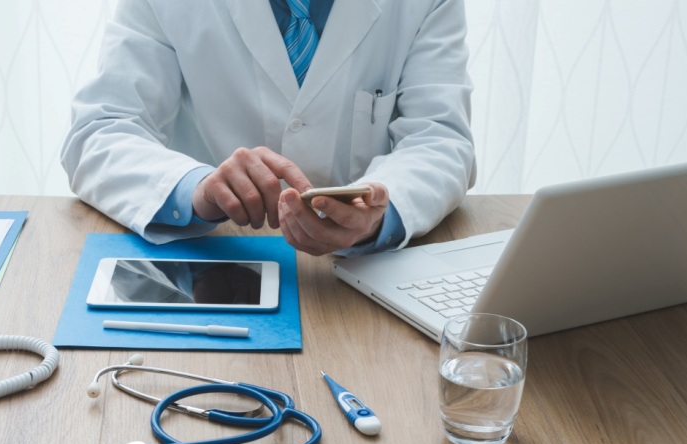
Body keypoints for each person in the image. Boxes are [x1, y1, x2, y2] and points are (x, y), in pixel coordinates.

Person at [62, 0, 475, 257]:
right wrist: (198, 188)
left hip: (360, 281)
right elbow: (100, 131)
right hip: (215, 262)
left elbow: (440, 138)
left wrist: (379, 217)